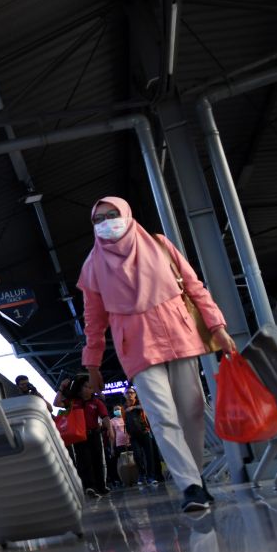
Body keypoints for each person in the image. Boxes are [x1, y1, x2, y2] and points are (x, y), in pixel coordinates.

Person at [77, 197, 236, 512]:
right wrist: (91, 363)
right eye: (99, 219)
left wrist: (217, 326)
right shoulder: (92, 266)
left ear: (127, 213)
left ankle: (195, 474)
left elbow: (195, 287)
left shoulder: (160, 245)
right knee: (162, 417)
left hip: (180, 336)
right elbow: (93, 321)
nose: (107, 222)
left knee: (191, 410)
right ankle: (190, 485)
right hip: (136, 347)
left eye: (112, 215)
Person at [55, 373, 110, 496]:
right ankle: (89, 487)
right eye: (85, 386)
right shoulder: (73, 401)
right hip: (79, 436)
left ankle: (101, 486)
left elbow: (105, 416)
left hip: (95, 434)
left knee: (98, 460)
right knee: (84, 461)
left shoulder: (97, 402)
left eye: (90, 387)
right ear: (80, 388)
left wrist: (110, 430)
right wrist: (61, 387)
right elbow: (57, 403)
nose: (88, 389)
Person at [124, 387, 165, 485]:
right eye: (127, 393)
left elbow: (146, 407)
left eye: (131, 392)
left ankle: (151, 476)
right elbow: (125, 422)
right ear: (125, 395)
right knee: (137, 456)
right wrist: (127, 435)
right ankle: (142, 475)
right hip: (133, 436)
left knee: (149, 456)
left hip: (145, 433)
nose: (129, 394)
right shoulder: (123, 407)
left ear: (135, 394)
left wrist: (134, 407)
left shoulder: (140, 403)